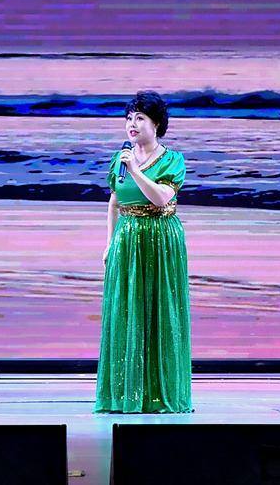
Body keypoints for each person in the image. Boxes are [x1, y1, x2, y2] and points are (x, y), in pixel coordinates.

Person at [95, 90, 192, 414]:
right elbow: (114, 203)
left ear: (157, 124)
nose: (131, 124)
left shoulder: (172, 160)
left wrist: (135, 170)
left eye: (139, 118)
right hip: (127, 239)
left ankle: (160, 392)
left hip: (160, 239)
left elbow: (162, 198)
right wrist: (109, 243)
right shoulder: (119, 159)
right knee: (125, 310)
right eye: (128, 118)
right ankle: (125, 393)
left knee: (160, 310)